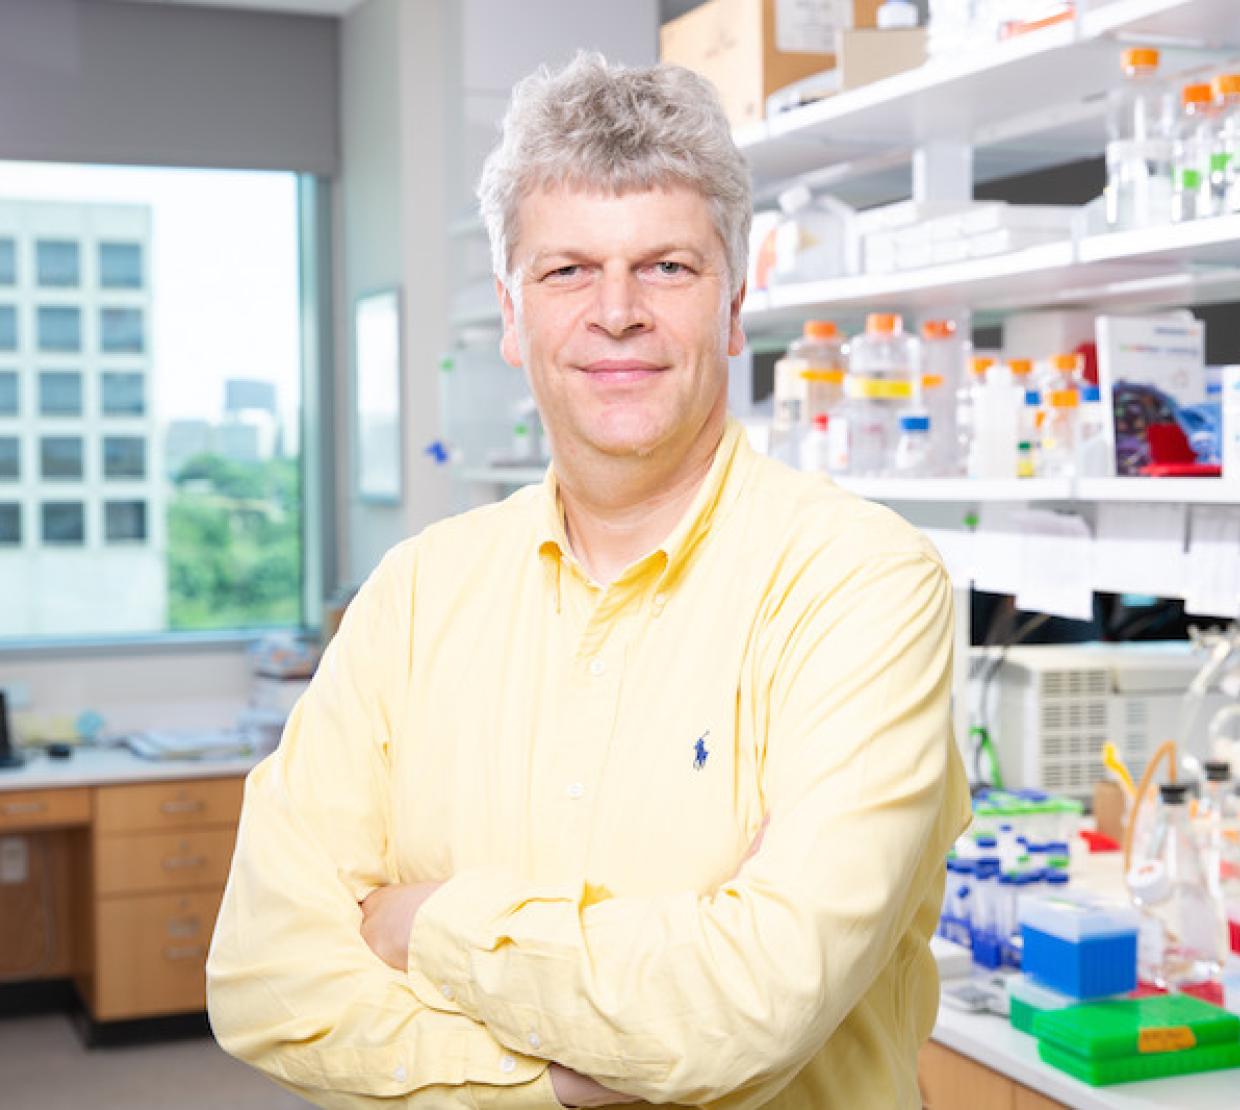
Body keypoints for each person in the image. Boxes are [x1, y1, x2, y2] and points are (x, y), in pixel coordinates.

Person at [207, 53, 971, 1110]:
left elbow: (752, 1003)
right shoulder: (417, 594)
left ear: (732, 308)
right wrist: (559, 1088)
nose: (616, 312)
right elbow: (265, 977)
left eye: (666, 267)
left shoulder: (860, 584)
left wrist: (425, 924)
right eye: (567, 271)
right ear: (513, 317)